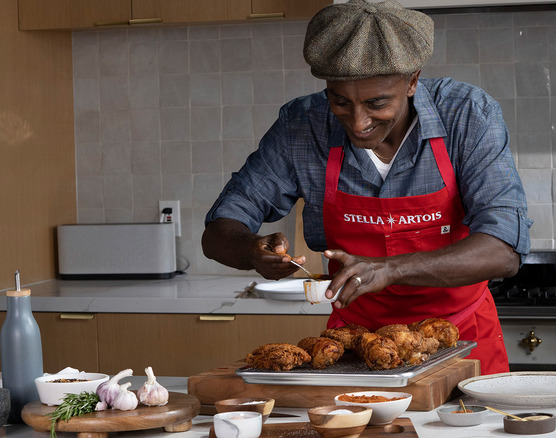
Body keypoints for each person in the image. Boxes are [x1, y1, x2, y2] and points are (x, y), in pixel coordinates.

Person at [201, 0, 532, 375]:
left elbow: (504, 250)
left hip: (461, 338)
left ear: (411, 81)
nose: (358, 123)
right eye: (340, 101)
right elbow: (218, 230)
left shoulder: (467, 114)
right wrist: (251, 251)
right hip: (356, 347)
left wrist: (390, 269)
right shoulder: (301, 126)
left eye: (376, 103)